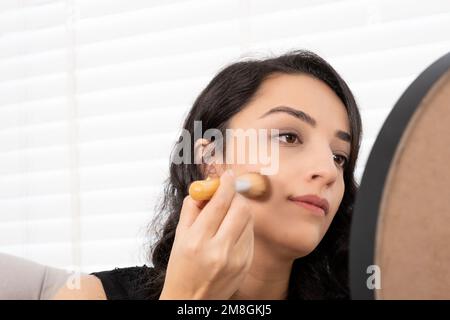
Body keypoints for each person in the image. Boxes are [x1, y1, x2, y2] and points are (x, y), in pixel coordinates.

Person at [53, 50, 362, 300]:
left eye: (339, 157)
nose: (327, 172)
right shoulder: (92, 295)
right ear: (211, 158)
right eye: (289, 137)